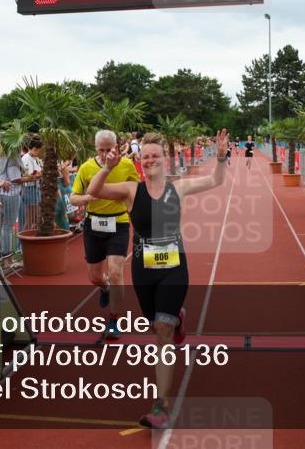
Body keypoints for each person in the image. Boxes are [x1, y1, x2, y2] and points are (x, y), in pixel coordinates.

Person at [88, 129, 229, 429]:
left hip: (174, 269)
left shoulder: (178, 189)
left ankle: (162, 405)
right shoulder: (130, 190)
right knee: (158, 322)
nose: (150, 160)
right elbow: (96, 191)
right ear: (140, 161)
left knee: (161, 333)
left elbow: (216, 180)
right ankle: (178, 319)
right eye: (145, 156)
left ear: (165, 159)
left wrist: (220, 156)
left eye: (156, 156)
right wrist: (107, 168)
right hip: (143, 270)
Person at [70, 130, 140, 340]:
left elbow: (136, 191)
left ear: (116, 146)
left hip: (118, 223)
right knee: (94, 277)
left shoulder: (127, 165)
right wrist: (86, 199)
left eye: (108, 149)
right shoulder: (86, 167)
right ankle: (105, 288)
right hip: (93, 224)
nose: (104, 154)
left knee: (117, 271)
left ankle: (113, 320)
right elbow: (73, 198)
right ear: (95, 147)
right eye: (101, 150)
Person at [0, 143, 27, 256]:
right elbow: (15, 178)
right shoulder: (12, 158)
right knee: (7, 226)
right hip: (10, 194)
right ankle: (7, 255)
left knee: (0, 226)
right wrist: (31, 178)